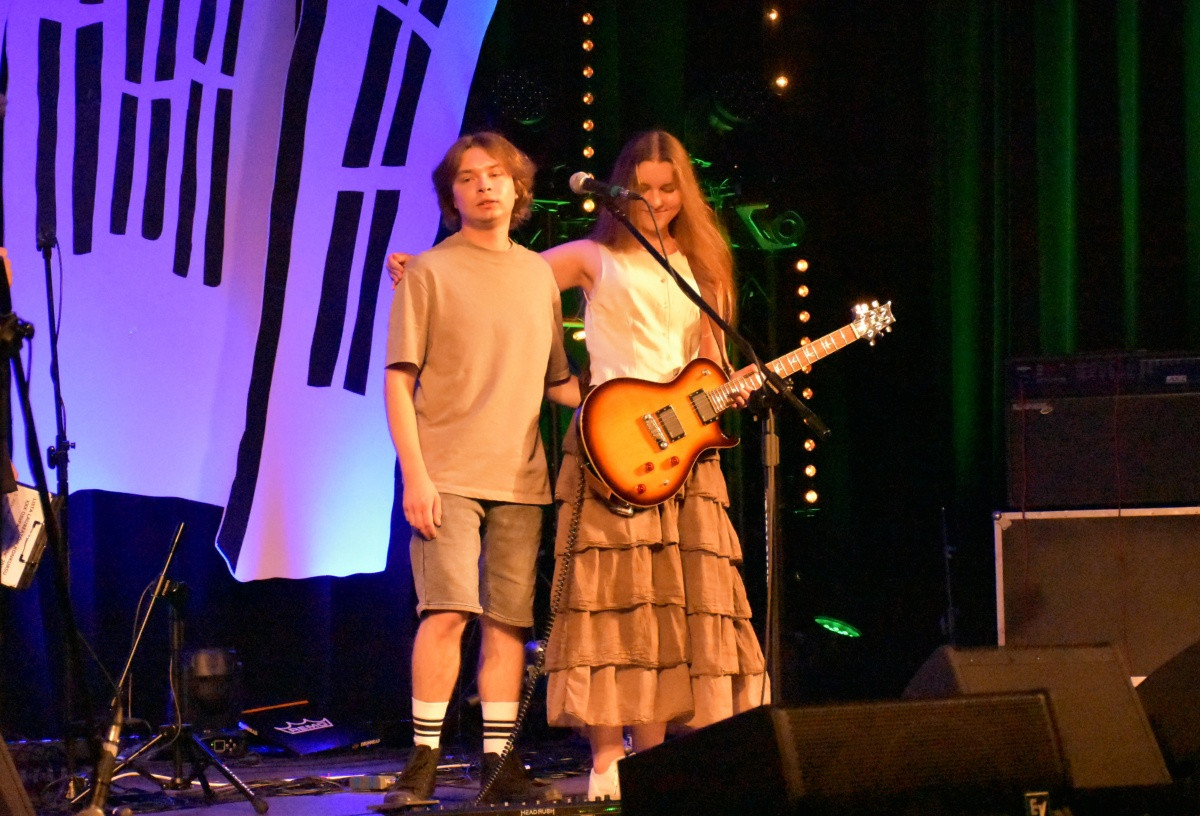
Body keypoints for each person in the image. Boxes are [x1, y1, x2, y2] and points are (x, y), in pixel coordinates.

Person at [388, 130, 768, 801]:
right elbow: (502, 272)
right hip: (596, 447)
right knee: (604, 603)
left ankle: (638, 760)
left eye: (668, 188)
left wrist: (729, 390)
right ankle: (569, 756)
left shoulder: (705, 266)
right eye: (642, 188)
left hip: (675, 453)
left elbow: (703, 364)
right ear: (621, 192)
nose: (655, 200)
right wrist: (423, 265)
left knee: (662, 608)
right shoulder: (592, 256)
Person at [382, 132, 578, 807]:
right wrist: (416, 475)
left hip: (522, 478)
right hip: (447, 475)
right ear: (452, 196)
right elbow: (398, 380)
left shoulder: (538, 276)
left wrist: (635, 396)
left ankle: (499, 764)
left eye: (496, 174)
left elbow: (559, 382)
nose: (485, 185)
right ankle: (423, 761)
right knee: (447, 612)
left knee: (508, 624)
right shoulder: (428, 272)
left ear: (519, 188)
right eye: (468, 178)